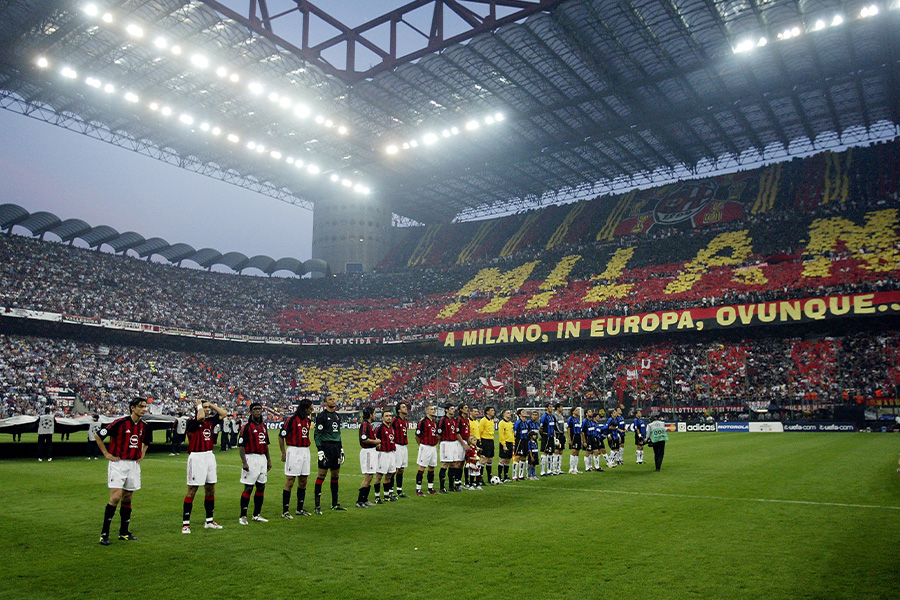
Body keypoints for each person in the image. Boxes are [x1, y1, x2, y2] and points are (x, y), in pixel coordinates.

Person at [95, 397, 151, 546]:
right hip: (118, 463)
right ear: (132, 408)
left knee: (128, 497)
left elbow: (147, 441)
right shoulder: (120, 423)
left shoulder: (144, 426)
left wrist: (142, 453)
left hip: (133, 464)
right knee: (115, 497)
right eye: (141, 406)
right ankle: (104, 534)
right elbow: (98, 435)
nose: (144, 409)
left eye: (145, 406)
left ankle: (124, 532)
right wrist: (107, 454)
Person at [182, 398, 227, 533]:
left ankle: (209, 521)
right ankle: (186, 524)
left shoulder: (210, 421)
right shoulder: (192, 422)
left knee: (210, 488)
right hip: (196, 457)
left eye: (208, 408)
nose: (207, 410)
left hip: (209, 456)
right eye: (205, 407)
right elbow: (200, 417)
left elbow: (224, 413)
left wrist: (211, 405)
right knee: (192, 489)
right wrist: (200, 407)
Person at [279, 399, 314, 519]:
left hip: (305, 451)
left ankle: (300, 509)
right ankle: (285, 511)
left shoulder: (308, 421)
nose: (312, 410)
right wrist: (283, 453)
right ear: (304, 408)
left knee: (303, 480)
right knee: (290, 481)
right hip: (294, 451)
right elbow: (281, 436)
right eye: (310, 408)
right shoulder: (292, 419)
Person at [238, 403, 271, 524]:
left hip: (262, 458)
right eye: (255, 409)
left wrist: (268, 461)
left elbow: (266, 445)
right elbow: (241, 446)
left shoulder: (263, 426)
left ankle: (256, 514)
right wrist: (244, 462)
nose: (257, 411)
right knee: (248, 487)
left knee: (261, 486)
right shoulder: (246, 427)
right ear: (251, 412)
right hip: (251, 458)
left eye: (259, 409)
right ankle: (243, 516)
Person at [313, 394, 347, 513]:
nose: (333, 401)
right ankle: (317, 506)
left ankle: (335, 504)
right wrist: (320, 451)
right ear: (325, 403)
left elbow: (338, 433)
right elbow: (317, 434)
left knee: (335, 476)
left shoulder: (337, 416)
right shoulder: (322, 416)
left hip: (336, 448)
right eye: (330, 400)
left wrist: (341, 449)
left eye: (334, 399)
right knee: (321, 475)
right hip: (326, 447)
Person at [357, 406, 380, 507]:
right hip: (367, 452)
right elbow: (363, 438)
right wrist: (375, 441)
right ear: (371, 415)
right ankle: (359, 501)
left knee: (370, 477)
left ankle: (364, 499)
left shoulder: (369, 425)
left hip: (371, 451)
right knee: (368, 477)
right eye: (374, 413)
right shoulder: (365, 424)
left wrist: (376, 444)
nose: (375, 415)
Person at [414, 404, 439, 496]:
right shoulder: (423, 422)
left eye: (433, 409)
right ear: (427, 411)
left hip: (433, 447)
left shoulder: (435, 422)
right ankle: (418, 489)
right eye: (431, 409)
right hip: (425, 446)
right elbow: (417, 436)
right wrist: (421, 445)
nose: (433, 411)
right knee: (422, 467)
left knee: (432, 467)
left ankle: (430, 488)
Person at [373, 410, 397, 504]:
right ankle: (377, 497)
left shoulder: (391, 428)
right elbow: (375, 440)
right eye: (386, 416)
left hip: (391, 453)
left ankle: (386, 495)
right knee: (379, 475)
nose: (389, 417)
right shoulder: (380, 428)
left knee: (389, 474)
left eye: (390, 416)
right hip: (382, 454)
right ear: (382, 418)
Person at [436, 403, 458, 493]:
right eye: (451, 409)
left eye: (453, 408)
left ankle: (451, 486)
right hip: (445, 443)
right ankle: (442, 487)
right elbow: (439, 434)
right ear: (446, 410)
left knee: (453, 464)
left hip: (453, 443)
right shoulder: (443, 420)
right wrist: (440, 444)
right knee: (445, 464)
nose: (453, 410)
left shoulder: (453, 420)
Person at [391, 402, 410, 498]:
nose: (405, 408)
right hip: (397, 446)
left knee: (401, 469)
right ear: (399, 410)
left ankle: (399, 490)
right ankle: (390, 491)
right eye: (403, 407)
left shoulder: (405, 421)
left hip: (404, 446)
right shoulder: (395, 420)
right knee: (394, 469)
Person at [455, 403, 472, 490]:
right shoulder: (459, 419)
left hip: (466, 442)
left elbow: (468, 432)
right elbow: (457, 433)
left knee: (463, 463)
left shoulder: (467, 420)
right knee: (458, 462)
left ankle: (460, 482)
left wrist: (469, 443)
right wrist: (463, 444)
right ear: (461, 409)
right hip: (459, 442)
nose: (467, 409)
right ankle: (456, 482)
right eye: (465, 408)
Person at [478, 406, 496, 483]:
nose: (493, 412)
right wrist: (480, 442)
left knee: (490, 459)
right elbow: (480, 432)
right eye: (492, 410)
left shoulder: (492, 421)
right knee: (484, 459)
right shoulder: (483, 421)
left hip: (491, 441)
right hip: (485, 441)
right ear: (487, 412)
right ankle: (480, 477)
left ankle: (489, 477)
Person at [538, 403, 556, 476]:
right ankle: (542, 471)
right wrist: (543, 435)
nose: (551, 408)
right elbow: (540, 428)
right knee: (545, 452)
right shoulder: (544, 417)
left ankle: (549, 470)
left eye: (552, 406)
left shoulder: (552, 417)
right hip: (546, 436)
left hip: (551, 436)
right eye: (550, 407)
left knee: (551, 453)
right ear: (546, 408)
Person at [512, 409, 529, 481]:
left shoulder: (526, 422)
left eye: (525, 411)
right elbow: (515, 432)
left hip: (525, 441)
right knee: (517, 457)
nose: (525, 413)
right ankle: (514, 476)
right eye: (523, 412)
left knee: (523, 458)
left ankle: (521, 475)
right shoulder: (518, 422)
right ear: (519, 414)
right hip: (519, 441)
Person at [497, 409, 514, 482]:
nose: (509, 414)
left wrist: (513, 443)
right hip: (505, 443)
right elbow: (501, 434)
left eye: (510, 413)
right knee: (503, 459)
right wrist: (504, 445)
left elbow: (512, 434)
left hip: (510, 442)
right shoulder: (501, 423)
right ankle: (499, 476)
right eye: (508, 413)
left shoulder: (510, 423)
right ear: (504, 414)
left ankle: (506, 476)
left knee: (508, 460)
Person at [566, 407, 582, 474]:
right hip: (574, 436)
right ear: (573, 412)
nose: (578, 411)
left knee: (577, 453)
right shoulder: (571, 419)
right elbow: (568, 429)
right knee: (573, 452)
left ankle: (575, 468)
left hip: (578, 436)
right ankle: (571, 468)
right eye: (576, 410)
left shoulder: (577, 419)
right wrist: (570, 439)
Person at [553, 402, 566, 475]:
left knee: (561, 452)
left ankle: (559, 468)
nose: (562, 409)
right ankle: (554, 468)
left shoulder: (561, 416)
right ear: (558, 408)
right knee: (556, 451)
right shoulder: (554, 416)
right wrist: (556, 436)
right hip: (557, 434)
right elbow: (555, 426)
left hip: (561, 435)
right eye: (561, 407)